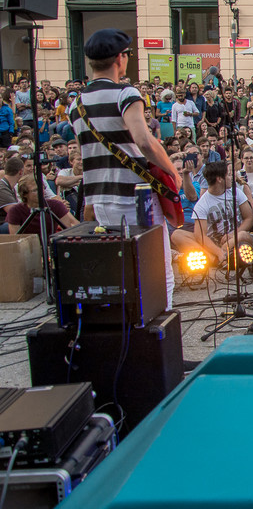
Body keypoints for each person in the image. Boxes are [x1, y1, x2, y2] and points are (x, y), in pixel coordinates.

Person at [69, 29, 181, 306]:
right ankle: (159, 323)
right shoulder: (125, 94)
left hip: (100, 197)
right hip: (135, 196)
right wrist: (172, 171)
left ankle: (130, 321)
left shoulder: (76, 104)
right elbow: (144, 141)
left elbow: (86, 153)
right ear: (120, 58)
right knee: (157, 268)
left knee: (123, 267)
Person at [191, 161, 253, 267]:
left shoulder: (236, 192)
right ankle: (221, 255)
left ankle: (218, 257)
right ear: (219, 179)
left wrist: (233, 234)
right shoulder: (202, 204)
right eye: (228, 175)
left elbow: (249, 218)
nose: (231, 178)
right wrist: (217, 250)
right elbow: (200, 236)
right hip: (215, 242)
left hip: (238, 237)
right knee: (177, 235)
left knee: (243, 235)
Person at [5, 174, 79, 234]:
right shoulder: (15, 211)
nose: (40, 192)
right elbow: (16, 240)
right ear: (24, 194)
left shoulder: (56, 205)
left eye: (42, 188)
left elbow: (67, 232)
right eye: (35, 190)